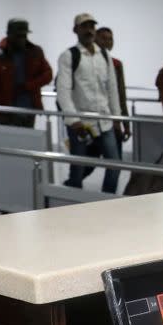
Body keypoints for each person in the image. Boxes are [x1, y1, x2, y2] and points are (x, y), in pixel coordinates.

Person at [56, 13, 122, 193]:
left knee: (114, 166)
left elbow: (112, 90)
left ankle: (106, 203)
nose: (89, 30)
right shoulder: (69, 56)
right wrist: (73, 119)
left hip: (104, 121)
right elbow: (63, 90)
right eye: (84, 27)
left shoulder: (104, 56)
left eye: (91, 27)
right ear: (75, 30)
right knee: (78, 170)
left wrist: (117, 118)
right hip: (81, 123)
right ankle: (74, 209)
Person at [0, 18, 52, 128]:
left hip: (29, 110)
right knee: (8, 143)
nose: (21, 40)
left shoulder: (35, 52)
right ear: (9, 35)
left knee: (28, 143)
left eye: (24, 36)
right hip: (7, 111)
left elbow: (48, 75)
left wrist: (28, 86)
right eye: (18, 36)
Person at [95, 26, 132, 157]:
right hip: (93, 121)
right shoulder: (86, 62)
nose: (107, 42)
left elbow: (121, 95)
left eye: (110, 39)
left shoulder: (116, 64)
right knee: (87, 163)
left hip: (113, 120)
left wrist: (125, 124)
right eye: (103, 39)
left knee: (116, 163)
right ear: (95, 39)